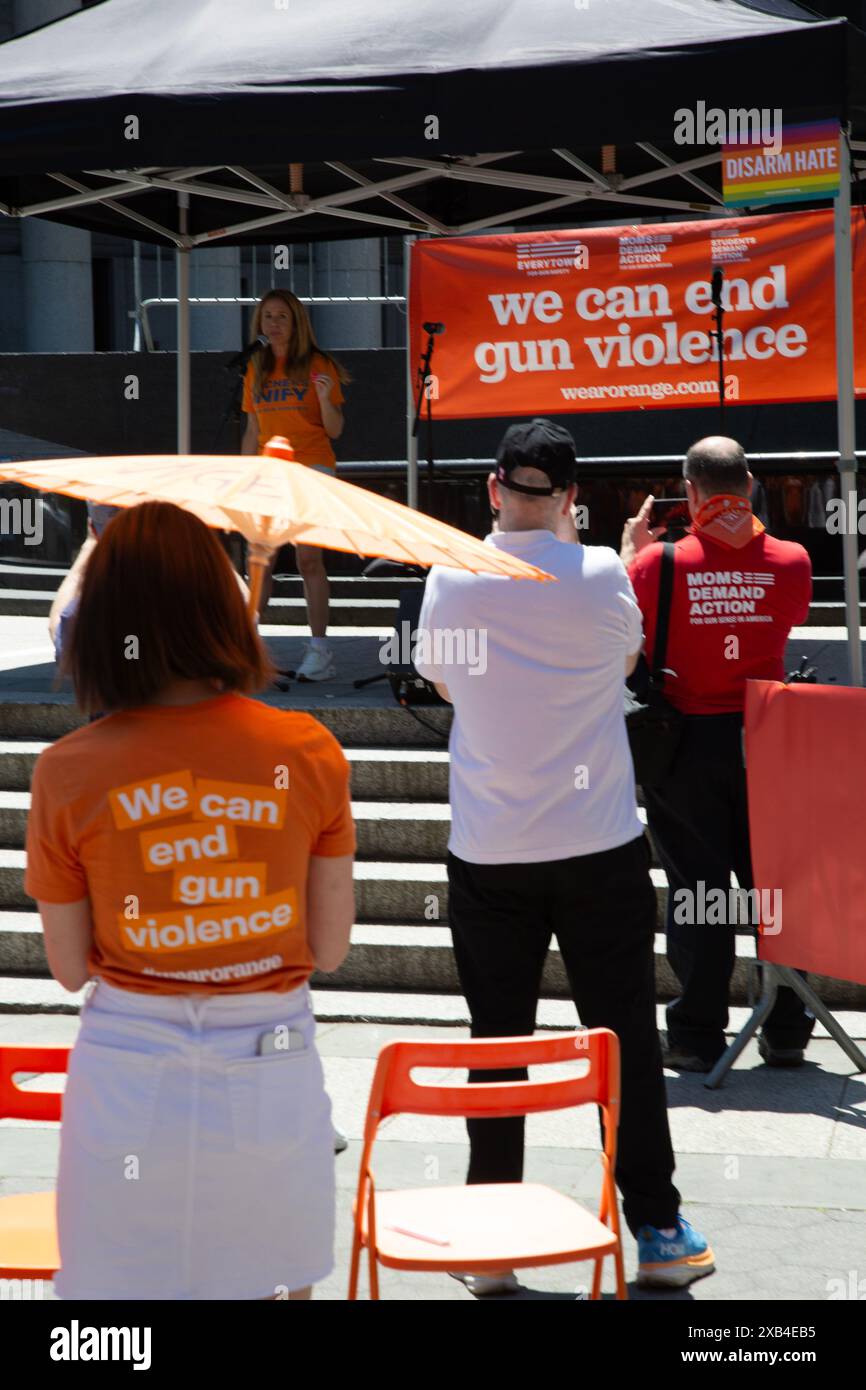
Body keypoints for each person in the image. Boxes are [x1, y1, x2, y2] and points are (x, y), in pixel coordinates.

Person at [25, 501, 356, 1300]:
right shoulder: (307, 752)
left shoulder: (67, 772)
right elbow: (332, 946)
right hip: (271, 1063)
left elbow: (70, 969)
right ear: (221, 611)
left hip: (129, 1074)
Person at [414, 418, 714, 1295]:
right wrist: (590, 553)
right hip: (598, 845)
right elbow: (624, 659)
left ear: (495, 489)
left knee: (495, 1043)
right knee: (622, 1040)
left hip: (491, 850)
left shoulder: (452, 572)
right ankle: (655, 1226)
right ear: (574, 496)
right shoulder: (603, 576)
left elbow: (439, 680)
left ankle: (492, 1239)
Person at [622, 436, 814, 1072]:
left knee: (696, 891)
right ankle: (788, 1027)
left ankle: (698, 1034)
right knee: (774, 888)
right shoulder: (793, 560)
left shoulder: (655, 567)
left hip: (685, 746)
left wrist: (634, 553)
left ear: (690, 490)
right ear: (752, 485)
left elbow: (624, 639)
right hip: (769, 740)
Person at [241, 288, 349, 681]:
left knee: (308, 560)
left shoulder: (318, 364)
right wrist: (245, 476)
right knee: (261, 560)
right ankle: (247, 644)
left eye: (281, 316)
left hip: (311, 467)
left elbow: (334, 429)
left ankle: (320, 650)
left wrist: (323, 399)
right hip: (269, 473)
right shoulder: (256, 366)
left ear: (297, 321)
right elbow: (253, 429)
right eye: (267, 316)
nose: (274, 323)